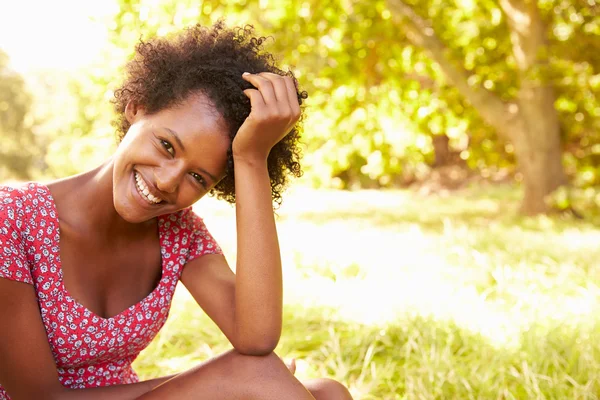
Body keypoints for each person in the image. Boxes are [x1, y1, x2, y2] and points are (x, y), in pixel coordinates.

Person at [0, 22, 353, 400]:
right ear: (136, 108)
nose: (169, 182)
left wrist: (251, 160)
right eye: (167, 146)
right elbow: (37, 397)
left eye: (199, 177)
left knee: (328, 393)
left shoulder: (178, 233)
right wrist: (221, 380)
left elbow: (256, 337)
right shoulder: (12, 220)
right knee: (258, 377)